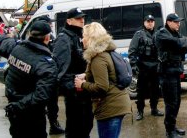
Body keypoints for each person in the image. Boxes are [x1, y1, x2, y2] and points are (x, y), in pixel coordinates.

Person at [0, 21, 57, 138]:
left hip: (15, 112)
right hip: (31, 117)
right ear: (47, 37)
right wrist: (18, 106)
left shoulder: (16, 48)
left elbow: (0, 41)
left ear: (30, 33)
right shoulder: (45, 64)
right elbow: (42, 96)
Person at [74, 22, 131, 138]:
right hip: (117, 104)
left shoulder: (98, 58)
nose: (82, 40)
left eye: (84, 36)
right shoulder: (106, 52)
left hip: (110, 108)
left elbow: (101, 87)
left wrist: (83, 84)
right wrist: (86, 75)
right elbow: (109, 74)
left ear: (91, 38)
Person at [52, 7, 93, 138]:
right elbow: (59, 69)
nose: (82, 20)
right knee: (75, 127)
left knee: (87, 124)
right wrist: (72, 87)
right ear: (69, 21)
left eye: (82, 17)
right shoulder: (64, 39)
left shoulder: (79, 36)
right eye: (78, 18)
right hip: (75, 91)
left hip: (83, 87)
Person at [154, 13, 187, 138]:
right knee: (171, 102)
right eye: (176, 22)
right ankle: (169, 131)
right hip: (166, 72)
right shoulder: (162, 33)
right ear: (168, 22)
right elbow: (180, 43)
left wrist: (180, 43)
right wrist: (180, 43)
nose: (178, 24)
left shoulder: (175, 33)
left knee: (177, 101)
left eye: (179, 22)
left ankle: (173, 126)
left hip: (175, 71)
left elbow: (186, 44)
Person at [128, 14, 164, 121]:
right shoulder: (139, 34)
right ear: (144, 22)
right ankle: (140, 111)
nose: (150, 23)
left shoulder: (158, 34)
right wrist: (134, 65)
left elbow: (162, 50)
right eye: (148, 21)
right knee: (141, 91)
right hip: (143, 67)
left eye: (152, 21)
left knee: (155, 90)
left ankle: (154, 109)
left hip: (155, 67)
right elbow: (132, 51)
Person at [36, 15, 65, 135]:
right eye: (49, 23)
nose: (52, 25)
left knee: (53, 104)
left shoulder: (51, 37)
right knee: (42, 104)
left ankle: (54, 125)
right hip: (42, 77)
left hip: (51, 77)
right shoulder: (39, 40)